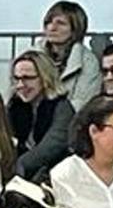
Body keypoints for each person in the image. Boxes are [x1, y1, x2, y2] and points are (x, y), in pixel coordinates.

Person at [6, 50, 74, 182]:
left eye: (27, 78)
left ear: (45, 77)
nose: (20, 85)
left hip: (54, 178)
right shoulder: (12, 108)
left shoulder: (63, 108)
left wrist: (16, 168)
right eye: (17, 79)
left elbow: (50, 148)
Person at [42, 0, 102, 111]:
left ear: (75, 29)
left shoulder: (88, 62)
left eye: (60, 23)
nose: (52, 28)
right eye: (48, 22)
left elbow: (84, 103)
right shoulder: (30, 57)